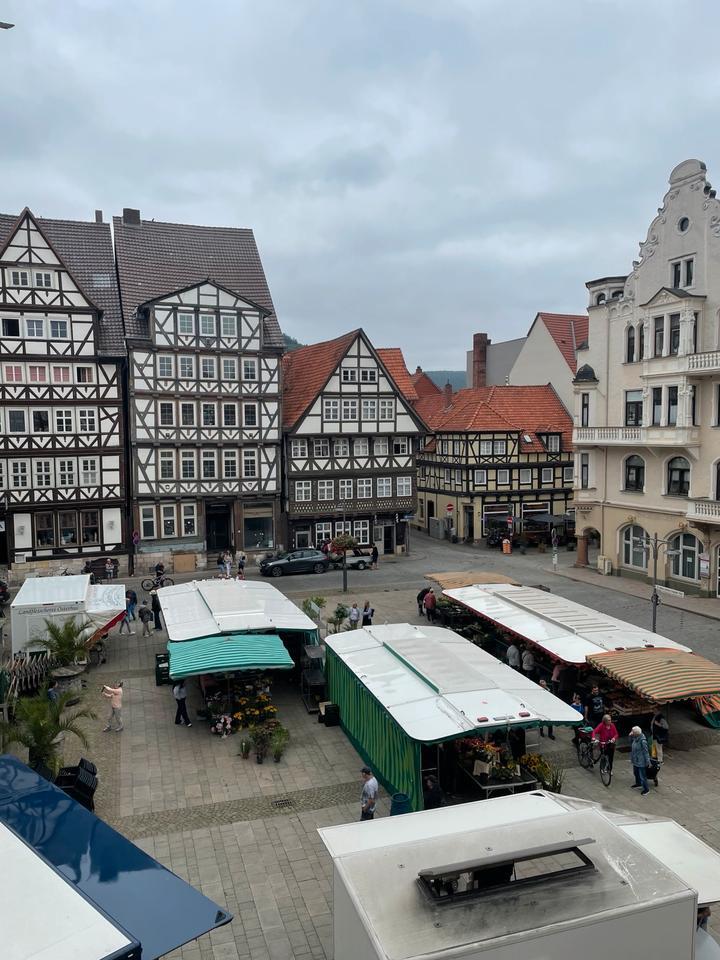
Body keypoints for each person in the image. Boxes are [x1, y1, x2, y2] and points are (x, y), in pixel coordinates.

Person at [629, 725, 650, 795]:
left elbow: (646, 752)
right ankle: (638, 783)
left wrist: (648, 762)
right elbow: (630, 743)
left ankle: (646, 789)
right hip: (635, 760)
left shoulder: (642, 741)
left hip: (641, 761)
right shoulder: (635, 738)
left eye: (632, 732)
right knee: (636, 773)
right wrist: (630, 736)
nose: (631, 732)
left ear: (636, 733)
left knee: (642, 776)